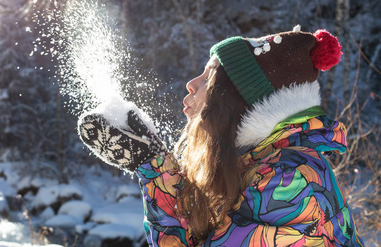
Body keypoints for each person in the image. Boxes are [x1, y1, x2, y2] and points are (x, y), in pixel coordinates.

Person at [78, 25, 364, 246]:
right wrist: (155, 168)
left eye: (208, 79)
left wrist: (156, 176)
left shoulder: (286, 180)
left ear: (235, 98)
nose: (191, 84)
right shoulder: (249, 163)